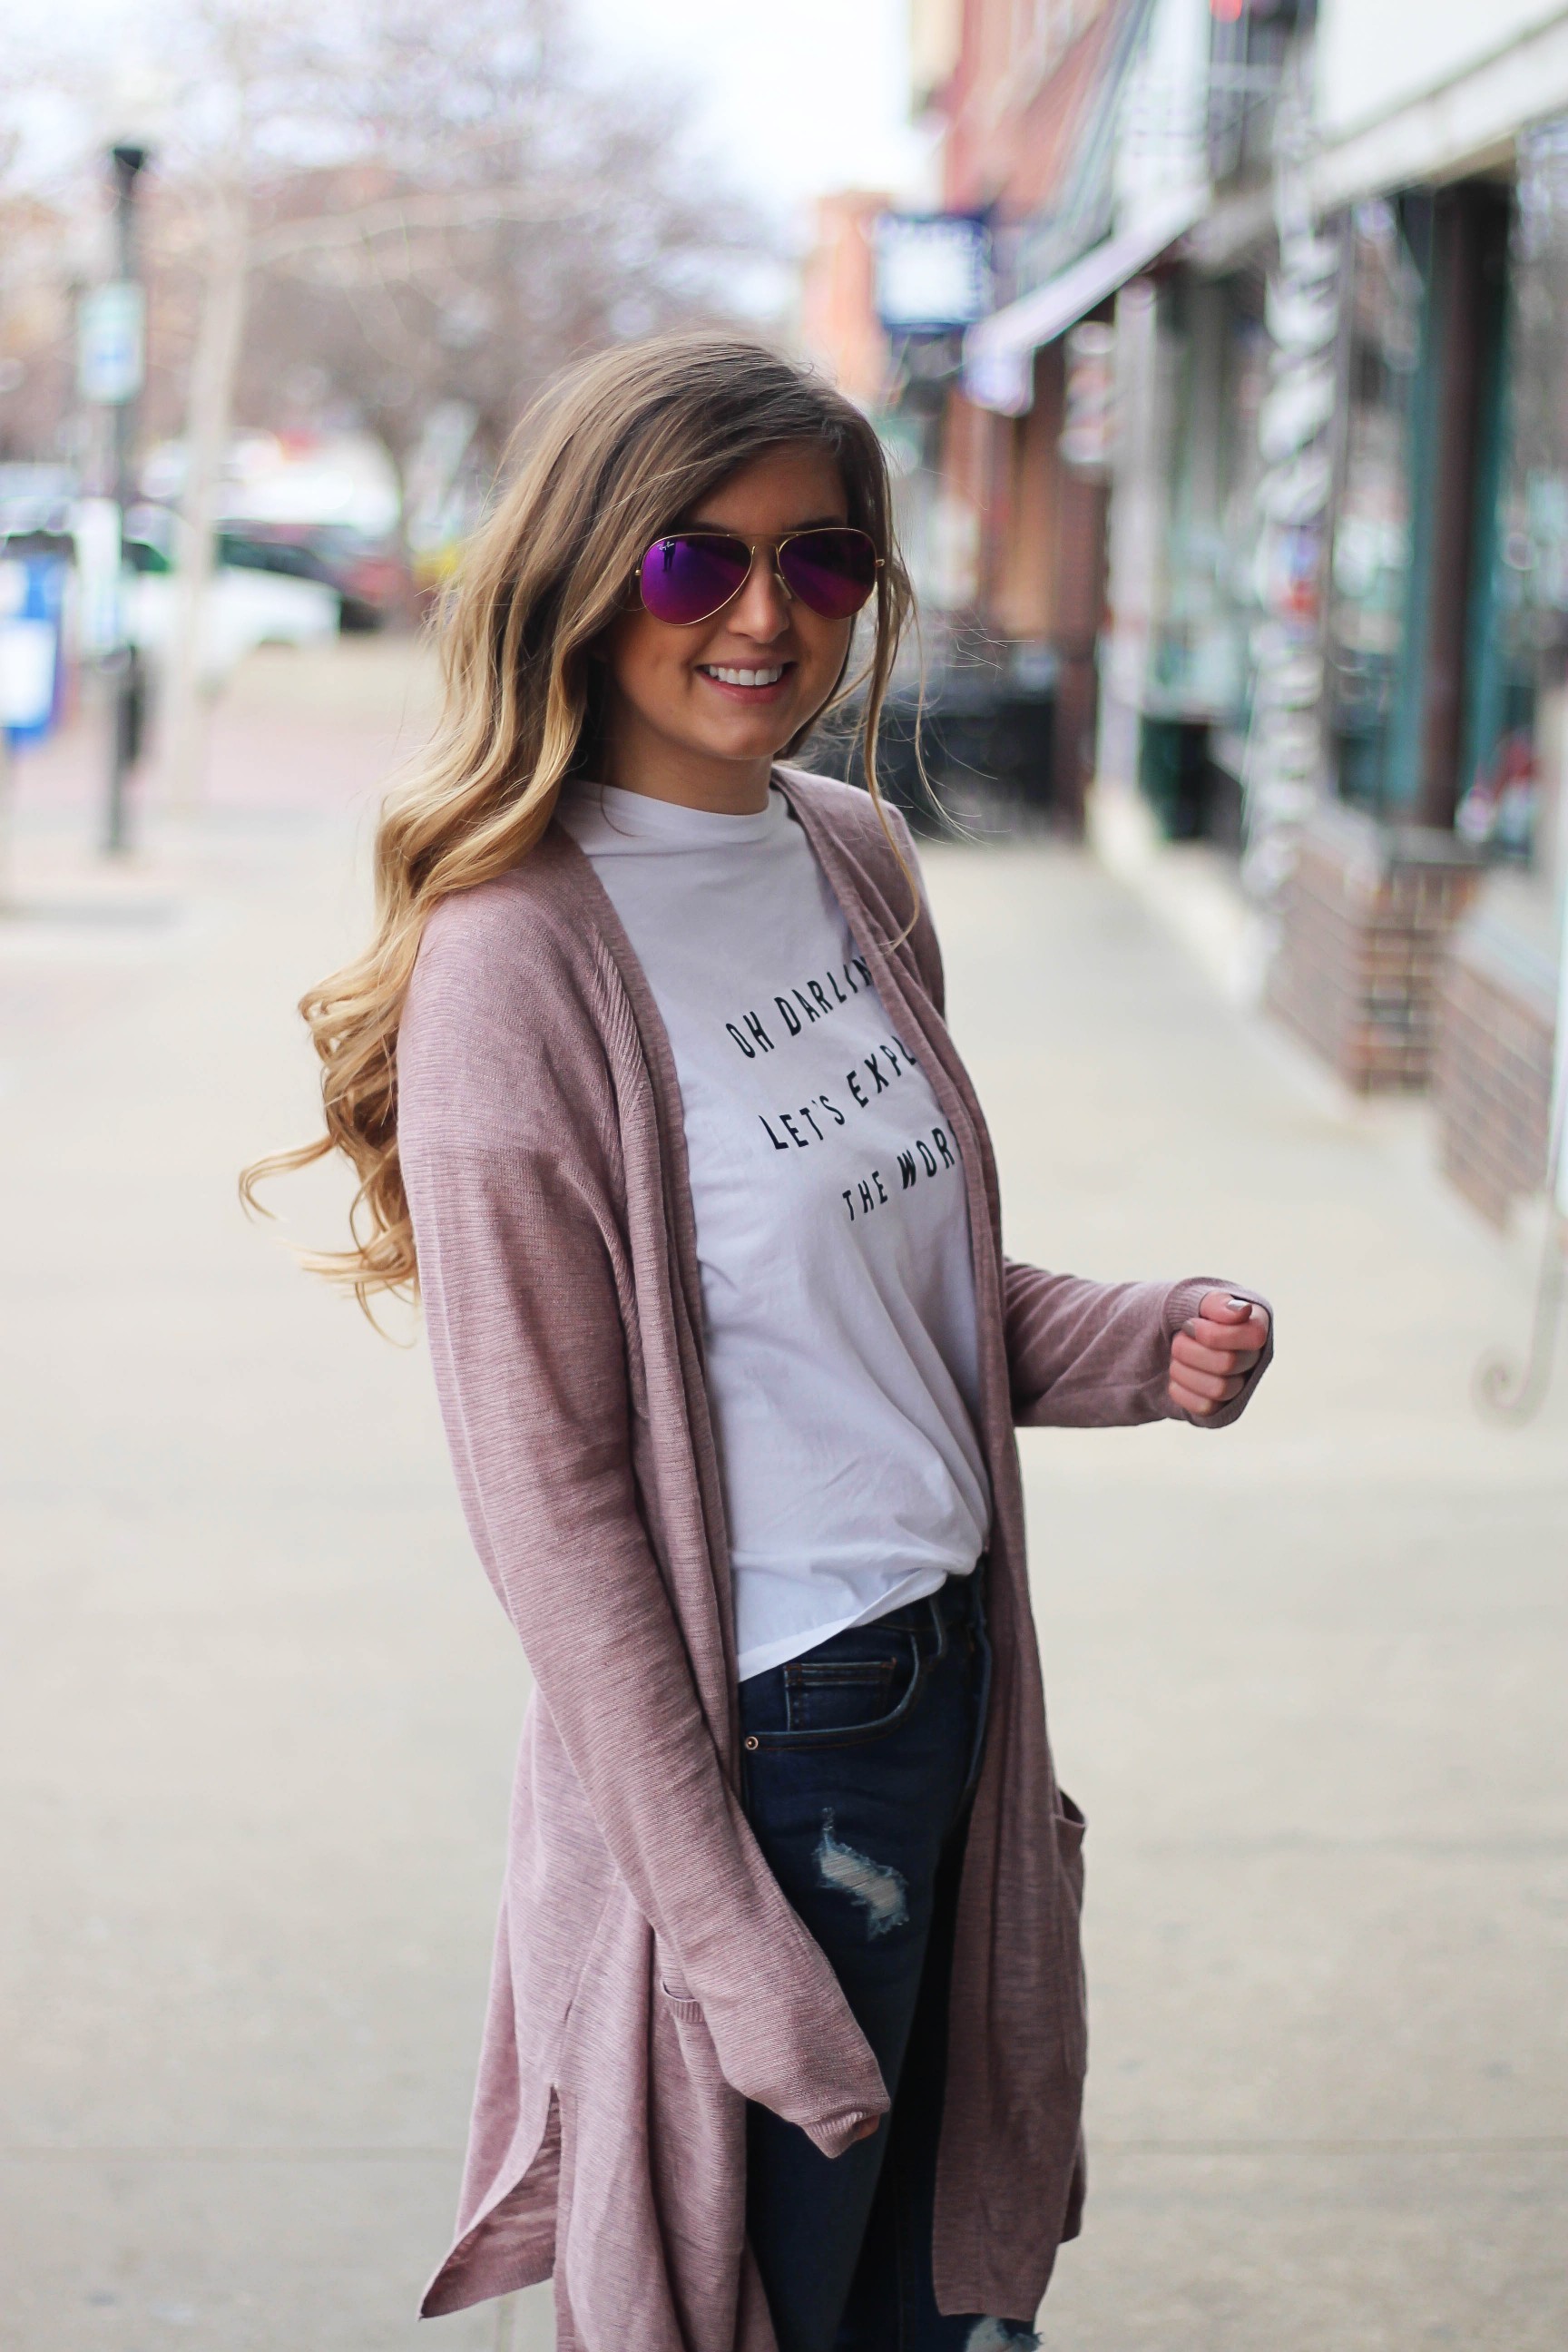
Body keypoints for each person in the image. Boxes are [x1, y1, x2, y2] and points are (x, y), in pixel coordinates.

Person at [245, 333, 1273, 2352]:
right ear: (579, 573)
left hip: (960, 1670)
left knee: (941, 2308)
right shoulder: (516, 955)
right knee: (769, 2308)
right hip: (780, 1746)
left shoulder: (850, 857)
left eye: (821, 564)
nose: (761, 614)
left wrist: (1134, 1339)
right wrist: (718, 1933)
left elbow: (894, 1291)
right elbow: (552, 1500)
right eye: (691, 561)